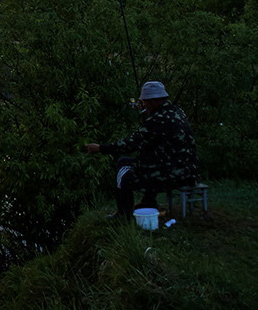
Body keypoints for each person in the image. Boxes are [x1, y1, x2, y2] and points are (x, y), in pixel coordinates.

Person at [85, 80, 199, 219]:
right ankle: (148, 203)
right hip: (189, 171)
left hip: (173, 175)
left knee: (123, 171)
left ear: (152, 101)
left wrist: (100, 148)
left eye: (144, 101)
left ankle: (123, 213)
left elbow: (130, 144)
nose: (143, 105)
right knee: (136, 160)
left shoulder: (158, 119)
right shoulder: (177, 112)